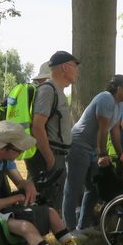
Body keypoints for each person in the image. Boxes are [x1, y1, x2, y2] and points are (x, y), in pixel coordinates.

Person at [62, 75, 123, 239]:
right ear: (119, 89)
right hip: (79, 146)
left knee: (93, 188)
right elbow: (103, 129)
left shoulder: (120, 104)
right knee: (73, 188)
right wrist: (103, 154)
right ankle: (69, 230)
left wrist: (122, 155)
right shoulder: (105, 98)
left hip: (93, 149)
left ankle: (83, 225)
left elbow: (115, 131)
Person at [26, 51, 79, 209]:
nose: (77, 71)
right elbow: (37, 126)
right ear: (64, 67)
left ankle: (49, 232)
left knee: (52, 200)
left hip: (57, 155)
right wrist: (50, 159)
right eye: (74, 67)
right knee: (44, 202)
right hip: (48, 155)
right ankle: (35, 232)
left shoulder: (57, 90)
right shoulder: (48, 90)